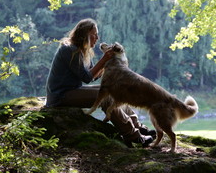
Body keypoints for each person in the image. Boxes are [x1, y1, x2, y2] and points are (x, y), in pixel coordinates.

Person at [45, 18, 155, 147]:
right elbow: (86, 77)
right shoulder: (69, 50)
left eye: (97, 34)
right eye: (94, 35)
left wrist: (110, 63)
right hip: (60, 95)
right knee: (106, 99)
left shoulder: (83, 50)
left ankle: (138, 127)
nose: (97, 38)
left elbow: (93, 76)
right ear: (85, 35)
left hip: (73, 89)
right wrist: (104, 60)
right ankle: (133, 135)